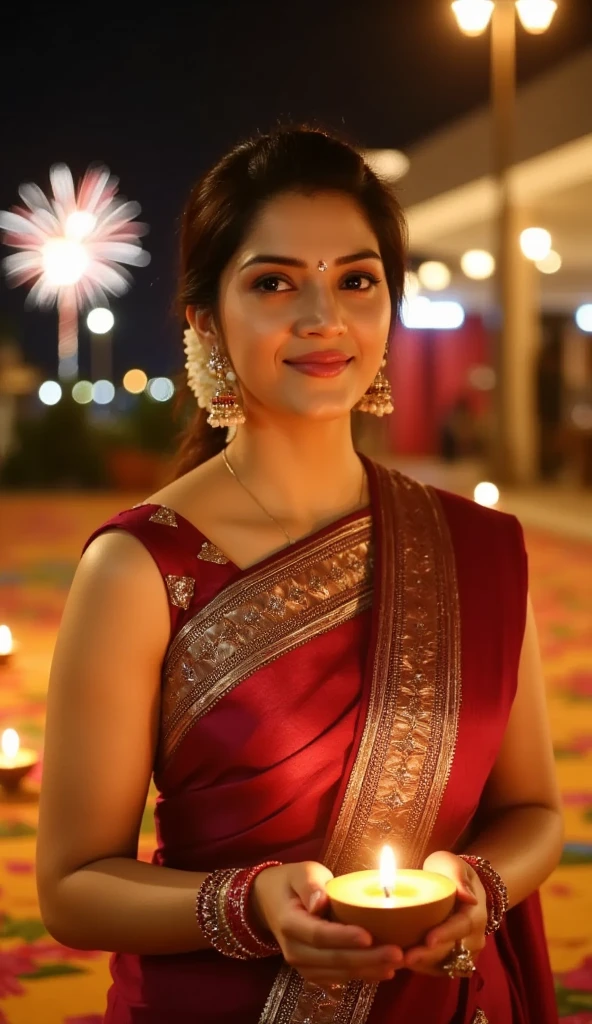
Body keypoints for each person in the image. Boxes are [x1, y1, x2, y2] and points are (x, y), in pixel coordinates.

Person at [36, 126, 563, 1024]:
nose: (323, 318)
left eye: (356, 280)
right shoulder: (139, 565)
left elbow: (534, 811)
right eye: (275, 282)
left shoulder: (474, 548)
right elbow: (74, 887)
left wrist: (474, 883)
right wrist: (250, 907)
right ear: (206, 320)